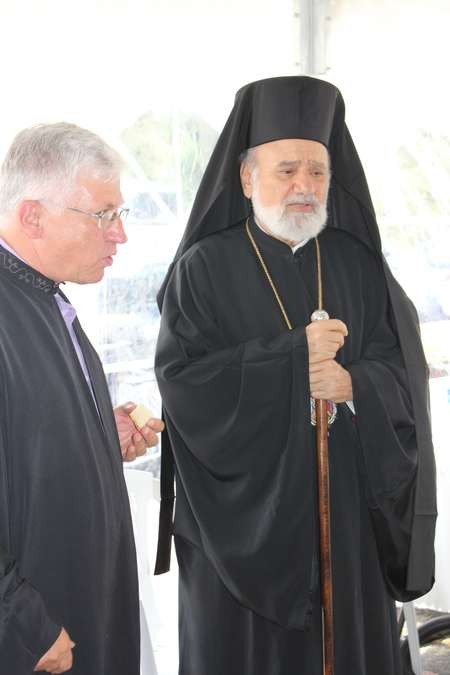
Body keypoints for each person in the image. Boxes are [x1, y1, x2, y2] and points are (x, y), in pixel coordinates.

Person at [154, 77, 437, 675]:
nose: (304, 187)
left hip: (346, 526)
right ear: (247, 178)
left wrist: (354, 384)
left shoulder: (357, 264)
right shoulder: (202, 268)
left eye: (317, 171)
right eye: (286, 171)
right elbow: (185, 385)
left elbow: (401, 371)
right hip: (239, 532)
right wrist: (292, 361)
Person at [0, 123, 164, 675]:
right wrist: (22, 622)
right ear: (32, 216)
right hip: (38, 627)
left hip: (78, 601)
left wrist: (97, 437)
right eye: (104, 215)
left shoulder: (42, 295)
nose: (119, 235)